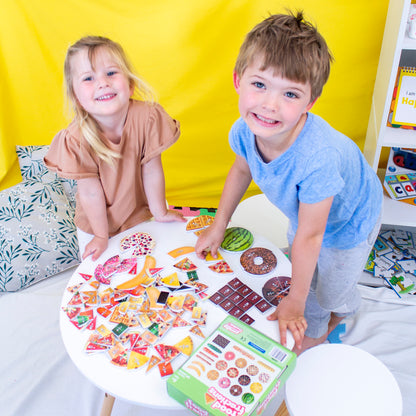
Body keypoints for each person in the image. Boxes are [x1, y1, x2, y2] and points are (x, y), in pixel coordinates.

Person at [195, 12, 382, 354]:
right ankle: (312, 298)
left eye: (291, 94)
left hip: (350, 223)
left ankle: (341, 310)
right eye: (259, 85)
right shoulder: (244, 130)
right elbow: (241, 169)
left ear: (310, 103)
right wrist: (219, 224)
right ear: (238, 80)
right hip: (308, 218)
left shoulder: (318, 159)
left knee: (328, 292)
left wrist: (295, 303)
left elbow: (312, 237)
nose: (270, 105)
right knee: (305, 270)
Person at [45, 36, 185, 261]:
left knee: (150, 264)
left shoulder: (148, 117)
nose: (103, 83)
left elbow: (152, 170)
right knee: (101, 272)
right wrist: (101, 236)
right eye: (88, 78)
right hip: (95, 225)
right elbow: (90, 192)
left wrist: (160, 212)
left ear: (130, 84)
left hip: (139, 211)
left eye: (111, 73)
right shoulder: (76, 139)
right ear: (77, 98)